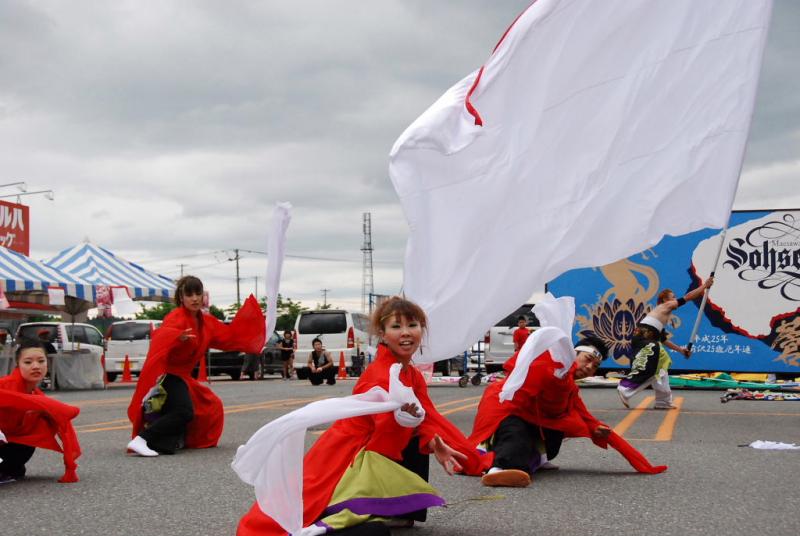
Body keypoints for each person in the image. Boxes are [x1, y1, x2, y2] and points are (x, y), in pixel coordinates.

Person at [236, 296, 490, 536]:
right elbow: (383, 440)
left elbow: (430, 419)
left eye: (412, 325)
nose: (405, 332)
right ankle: (366, 513)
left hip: (368, 452)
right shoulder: (381, 375)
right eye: (396, 326)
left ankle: (395, 511)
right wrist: (411, 426)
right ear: (383, 334)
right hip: (349, 456)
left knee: (418, 432)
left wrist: (445, 447)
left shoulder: (408, 373)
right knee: (350, 523)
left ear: (422, 330)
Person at [469, 335, 666, 488]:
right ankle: (497, 470)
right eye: (587, 359)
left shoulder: (571, 387)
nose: (589, 367)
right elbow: (517, 367)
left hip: (533, 419)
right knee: (516, 435)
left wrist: (596, 429)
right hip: (507, 410)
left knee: (553, 439)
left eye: (595, 366)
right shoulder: (549, 363)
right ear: (574, 354)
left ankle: (529, 462)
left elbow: (585, 416)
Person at [126, 275, 265, 457]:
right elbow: (161, 335)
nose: (194, 298)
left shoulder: (206, 322)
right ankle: (142, 439)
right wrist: (176, 337)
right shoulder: (176, 317)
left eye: (197, 293)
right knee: (184, 411)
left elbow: (229, 336)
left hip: (184, 378)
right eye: (189, 294)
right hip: (168, 375)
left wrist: (258, 327)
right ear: (181, 298)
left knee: (211, 404)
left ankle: (179, 440)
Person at [618, 277, 714, 410]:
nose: (675, 299)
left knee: (662, 364)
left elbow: (663, 340)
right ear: (665, 300)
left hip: (646, 339)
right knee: (652, 367)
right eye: (672, 297)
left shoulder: (661, 317)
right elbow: (688, 297)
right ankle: (625, 388)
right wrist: (704, 286)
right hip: (643, 339)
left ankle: (663, 401)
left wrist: (682, 351)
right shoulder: (665, 306)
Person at [0, 340, 81, 483]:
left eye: (41, 361)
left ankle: (10, 468)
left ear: (47, 364)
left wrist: (70, 465)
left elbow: (64, 428)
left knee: (39, 426)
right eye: (28, 362)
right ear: (18, 364)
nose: (35, 366)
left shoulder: (37, 397)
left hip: (9, 444)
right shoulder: (4, 386)